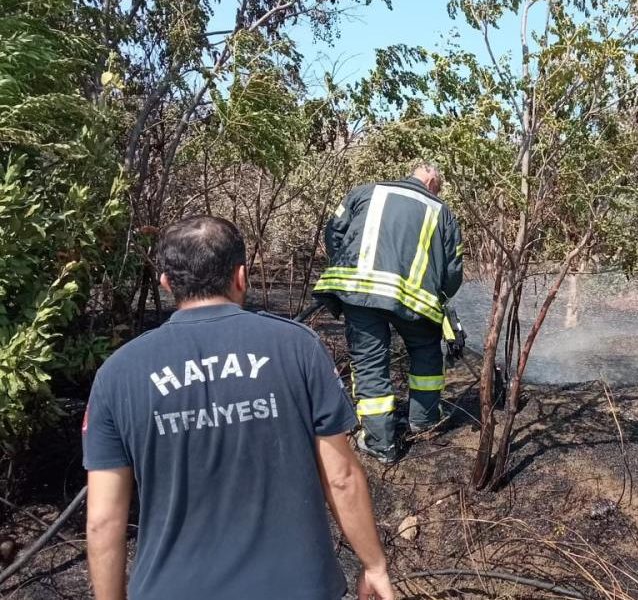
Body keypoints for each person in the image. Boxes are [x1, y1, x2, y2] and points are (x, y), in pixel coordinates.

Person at [83, 216, 394, 600]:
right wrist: (374, 566)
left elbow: (102, 522)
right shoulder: (298, 348)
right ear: (241, 275)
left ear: (166, 284)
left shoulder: (118, 373)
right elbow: (342, 476)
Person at [313, 162, 464, 464]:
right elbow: (452, 270)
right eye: (440, 186)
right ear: (431, 180)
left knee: (369, 364)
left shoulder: (364, 192)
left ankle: (380, 444)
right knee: (426, 356)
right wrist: (440, 296)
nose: (438, 191)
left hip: (362, 296)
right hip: (415, 303)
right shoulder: (442, 212)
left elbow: (334, 232)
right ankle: (424, 420)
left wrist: (347, 270)